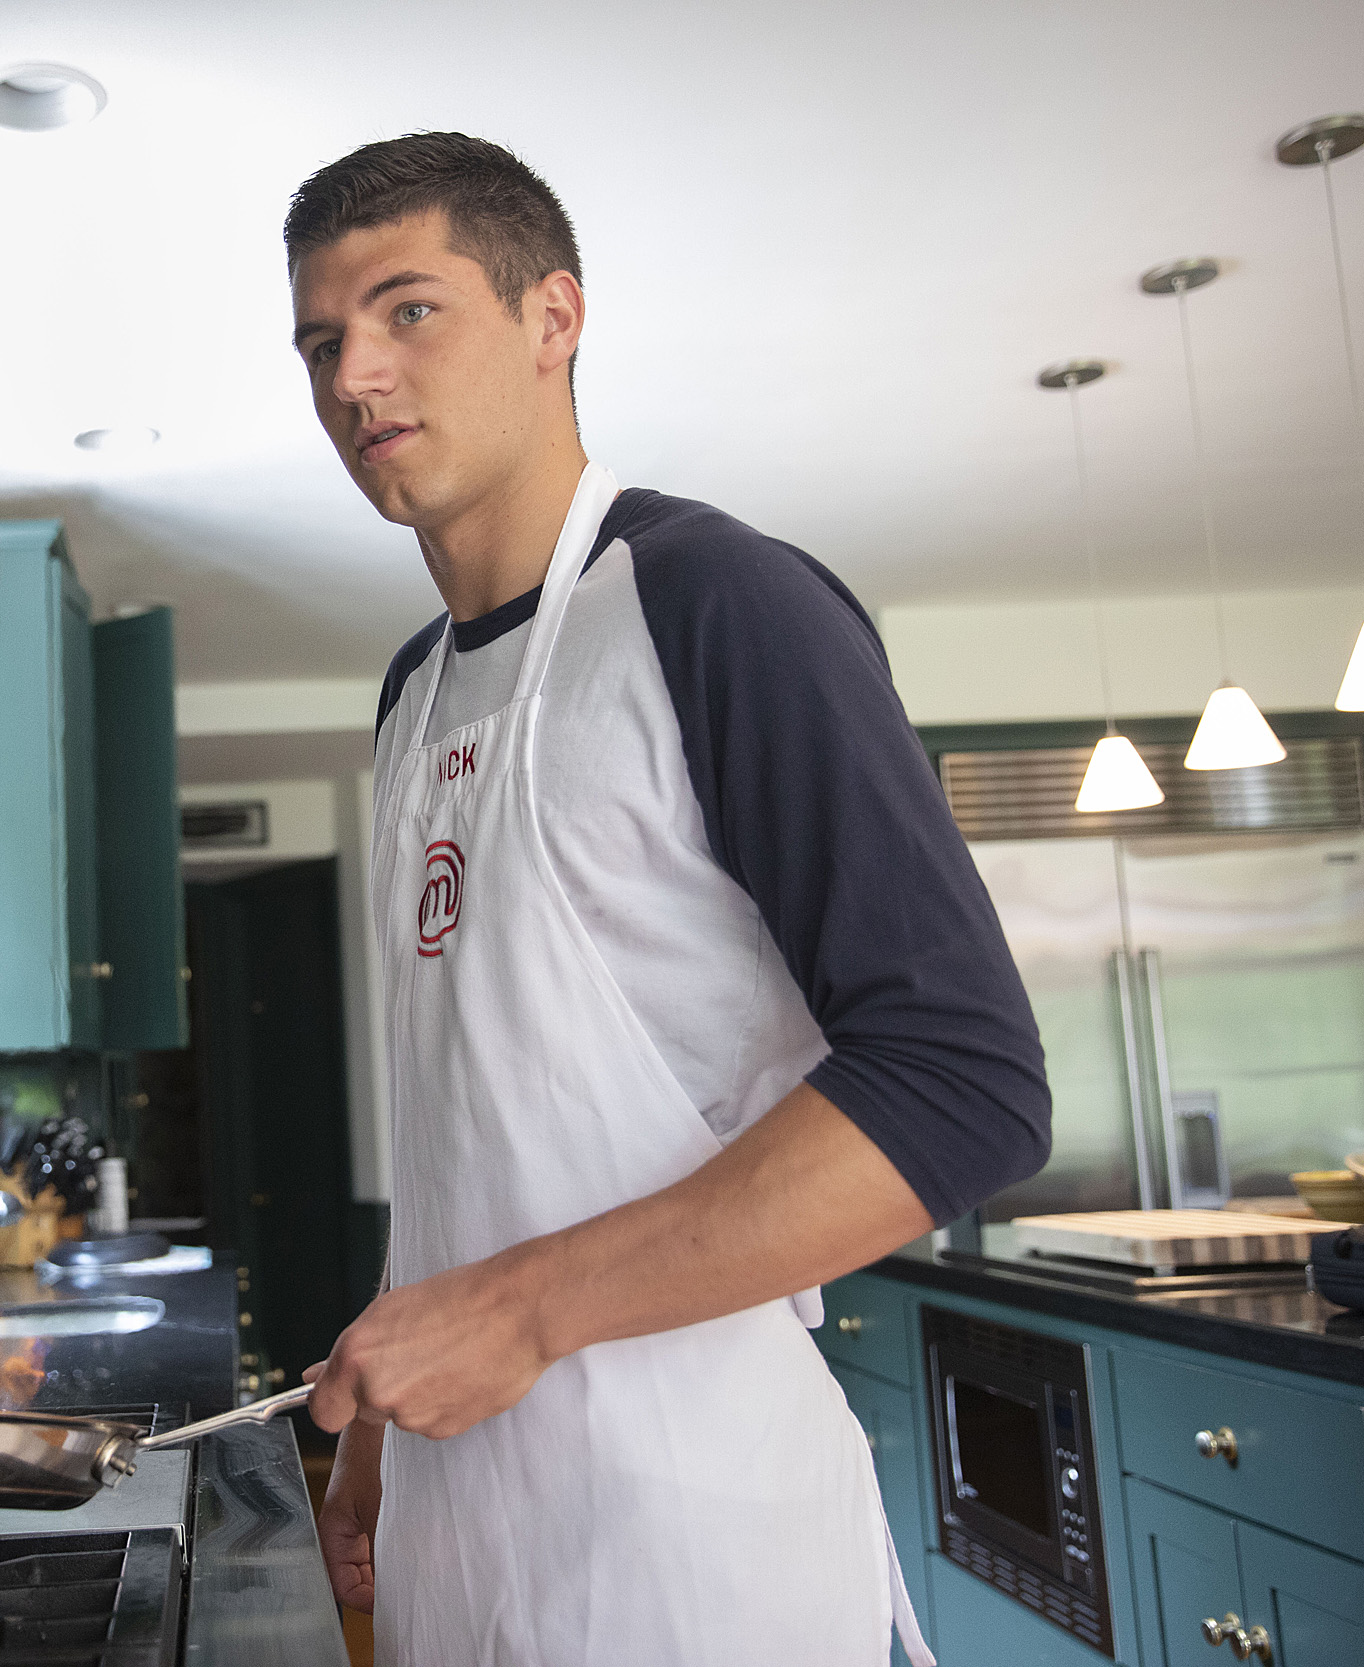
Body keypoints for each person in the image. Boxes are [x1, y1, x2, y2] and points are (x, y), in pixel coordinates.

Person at [288, 133, 1052, 1667]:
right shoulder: (410, 698)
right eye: (321, 340)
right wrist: (376, 1412)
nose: (354, 373)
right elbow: (476, 1116)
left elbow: (966, 1085)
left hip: (701, 1555)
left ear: (554, 316)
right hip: (460, 1535)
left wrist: (513, 1314)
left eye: (407, 310)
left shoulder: (718, 601)